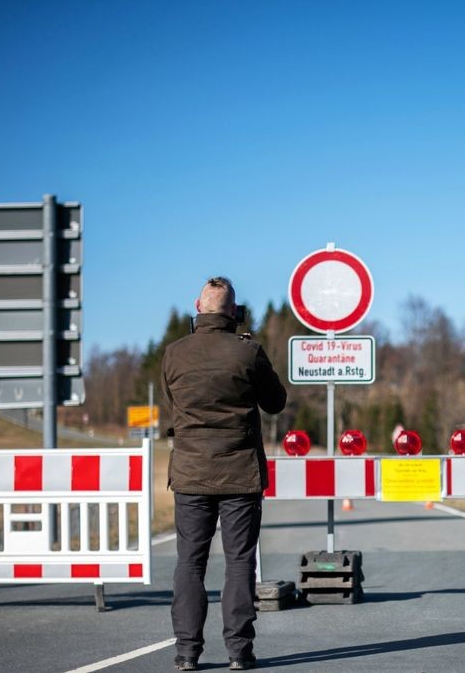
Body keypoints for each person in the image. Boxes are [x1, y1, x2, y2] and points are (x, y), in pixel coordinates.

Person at [163, 276, 287, 671]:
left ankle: (186, 653)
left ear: (197, 308)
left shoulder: (173, 354)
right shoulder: (247, 352)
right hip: (239, 473)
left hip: (190, 472)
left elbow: (173, 404)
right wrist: (250, 351)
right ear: (233, 312)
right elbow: (275, 402)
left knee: (190, 563)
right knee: (238, 562)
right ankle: (239, 652)